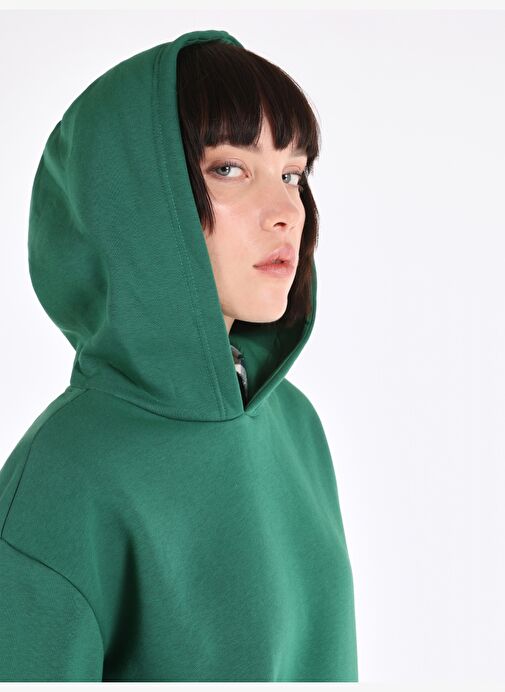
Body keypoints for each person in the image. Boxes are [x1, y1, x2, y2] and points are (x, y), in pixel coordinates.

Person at [0, 28, 359, 682]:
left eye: (292, 173)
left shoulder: (295, 426)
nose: (285, 210)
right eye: (229, 169)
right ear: (136, 201)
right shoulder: (65, 474)